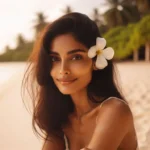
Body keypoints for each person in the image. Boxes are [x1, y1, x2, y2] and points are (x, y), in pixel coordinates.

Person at [22, 12, 139, 150]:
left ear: (95, 61)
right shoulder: (62, 119)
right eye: (55, 58)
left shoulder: (115, 110)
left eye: (76, 57)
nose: (63, 70)